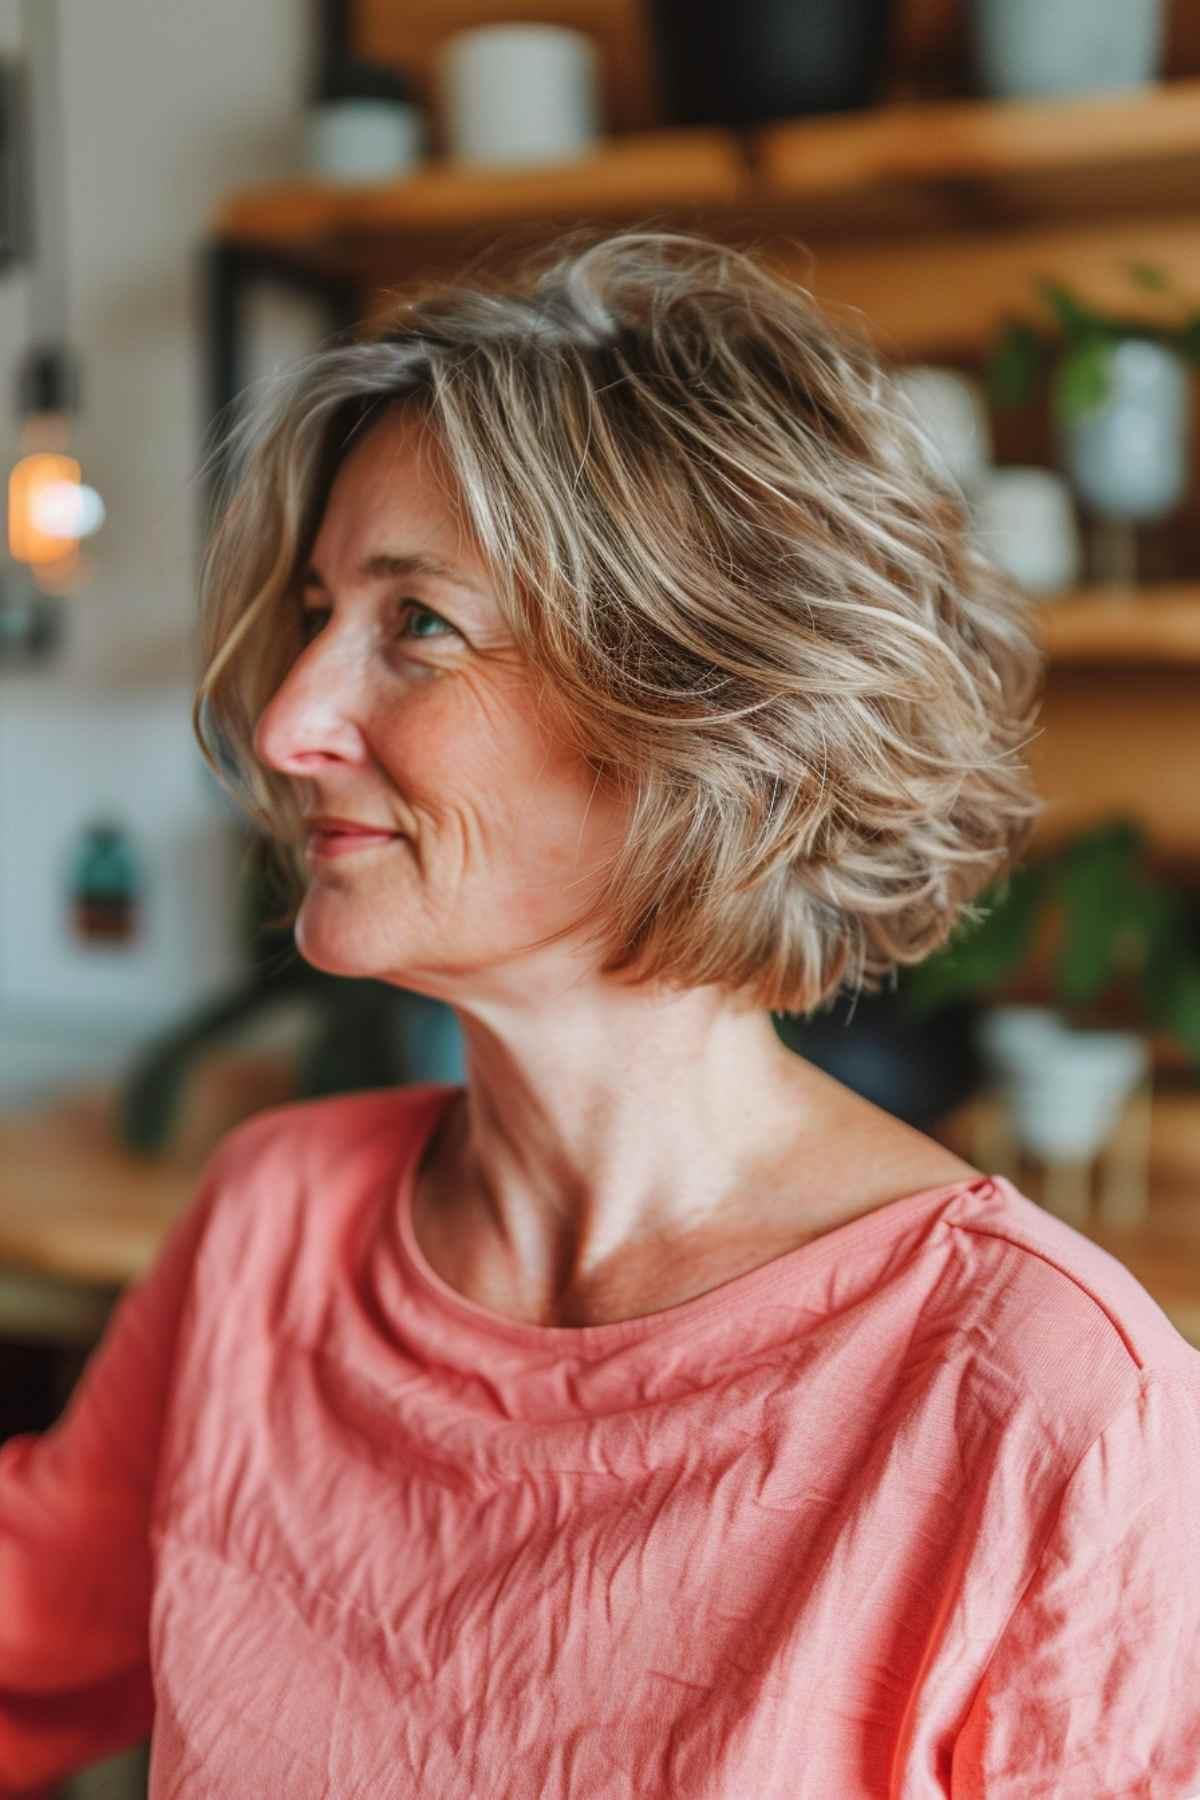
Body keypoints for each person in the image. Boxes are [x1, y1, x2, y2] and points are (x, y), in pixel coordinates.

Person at [2, 231, 1198, 1799]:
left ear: (700, 705)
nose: (290, 723)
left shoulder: (1039, 1390)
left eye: (416, 623)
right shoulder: (271, 1226)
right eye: (314, 615)